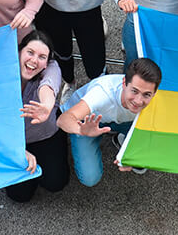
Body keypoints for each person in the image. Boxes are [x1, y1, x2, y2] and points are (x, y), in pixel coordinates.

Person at [56, 57, 162, 187]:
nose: (139, 101)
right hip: (88, 121)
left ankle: (122, 139)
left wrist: (136, 153)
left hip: (119, 119)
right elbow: (63, 119)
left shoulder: (155, 99)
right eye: (134, 91)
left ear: (155, 93)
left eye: (146, 94)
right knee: (90, 178)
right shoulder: (101, 93)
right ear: (124, 83)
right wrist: (81, 129)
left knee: (143, 153)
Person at [5, 31, 70, 203]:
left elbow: (49, 85)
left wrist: (47, 106)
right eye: (30, 52)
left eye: (42, 57)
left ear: (47, 62)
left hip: (45, 134)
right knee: (19, 195)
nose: (34, 60)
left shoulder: (52, 68)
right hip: (11, 140)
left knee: (55, 183)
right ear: (19, 51)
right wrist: (17, 151)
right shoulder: (1, 74)